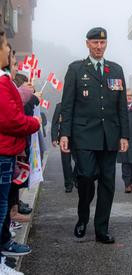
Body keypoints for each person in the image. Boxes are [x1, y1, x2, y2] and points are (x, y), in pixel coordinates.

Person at [60, 27, 129, 244]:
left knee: (108, 182)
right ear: (87, 44)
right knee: (86, 177)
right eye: (95, 43)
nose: (99, 47)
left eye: (102, 43)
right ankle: (82, 217)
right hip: (84, 135)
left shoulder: (115, 70)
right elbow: (67, 105)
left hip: (109, 136)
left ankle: (102, 229)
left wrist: (124, 135)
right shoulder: (76, 69)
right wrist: (65, 134)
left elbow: (121, 107)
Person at [0, 29, 40, 274]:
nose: (8, 50)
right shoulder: (2, 83)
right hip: (3, 151)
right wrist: (34, 124)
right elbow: (12, 120)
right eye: (5, 46)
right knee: (1, 206)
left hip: (6, 151)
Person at [51, 102, 76, 193]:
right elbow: (55, 122)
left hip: (78, 139)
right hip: (64, 138)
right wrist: (54, 138)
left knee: (80, 161)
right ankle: (68, 184)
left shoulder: (80, 104)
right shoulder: (60, 106)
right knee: (66, 162)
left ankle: (76, 177)